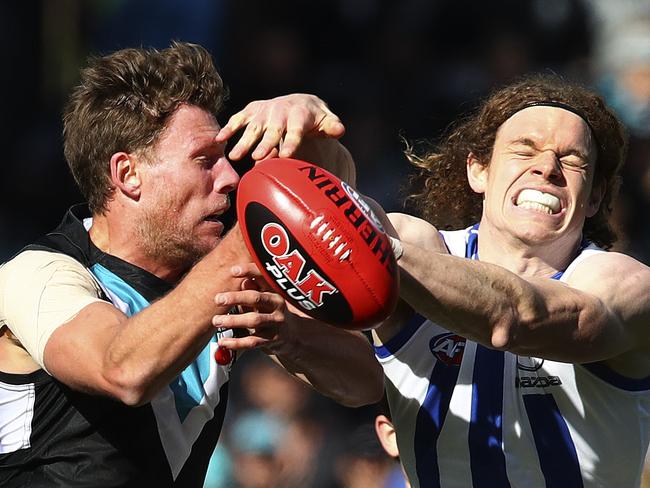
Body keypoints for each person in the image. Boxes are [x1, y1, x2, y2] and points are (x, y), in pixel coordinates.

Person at [0, 41, 383, 487]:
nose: (231, 178)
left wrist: (288, 332)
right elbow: (123, 370)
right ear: (128, 175)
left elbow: (365, 383)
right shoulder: (38, 273)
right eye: (205, 160)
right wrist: (254, 234)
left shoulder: (216, 274)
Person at [367, 74, 650, 487]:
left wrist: (374, 253)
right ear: (478, 170)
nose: (548, 167)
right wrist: (311, 141)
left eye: (572, 159)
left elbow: (518, 316)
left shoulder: (626, 286)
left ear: (594, 197)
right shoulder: (421, 245)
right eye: (525, 150)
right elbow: (325, 211)